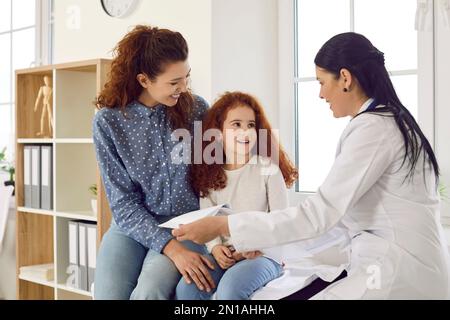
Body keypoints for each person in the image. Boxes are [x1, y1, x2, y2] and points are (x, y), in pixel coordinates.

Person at [172, 32, 450, 299]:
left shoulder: (374, 129)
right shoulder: (387, 121)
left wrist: (226, 226)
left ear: (344, 78)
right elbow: (336, 218)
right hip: (391, 258)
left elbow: (319, 214)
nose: (320, 94)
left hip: (398, 269)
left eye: (321, 82)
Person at [92, 25, 214, 300]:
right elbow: (122, 203)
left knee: (149, 293)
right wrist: (169, 247)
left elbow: (220, 174)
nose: (183, 88)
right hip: (132, 225)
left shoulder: (197, 110)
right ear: (144, 80)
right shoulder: (109, 122)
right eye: (174, 82)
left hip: (186, 223)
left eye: (186, 78)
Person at [175, 91, 298, 300]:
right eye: (236, 124)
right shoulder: (209, 173)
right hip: (227, 253)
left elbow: (280, 223)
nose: (245, 132)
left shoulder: (268, 169)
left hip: (265, 254)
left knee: (230, 291)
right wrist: (215, 249)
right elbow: (209, 220)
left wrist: (248, 248)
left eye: (251, 125)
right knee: (187, 290)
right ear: (218, 132)